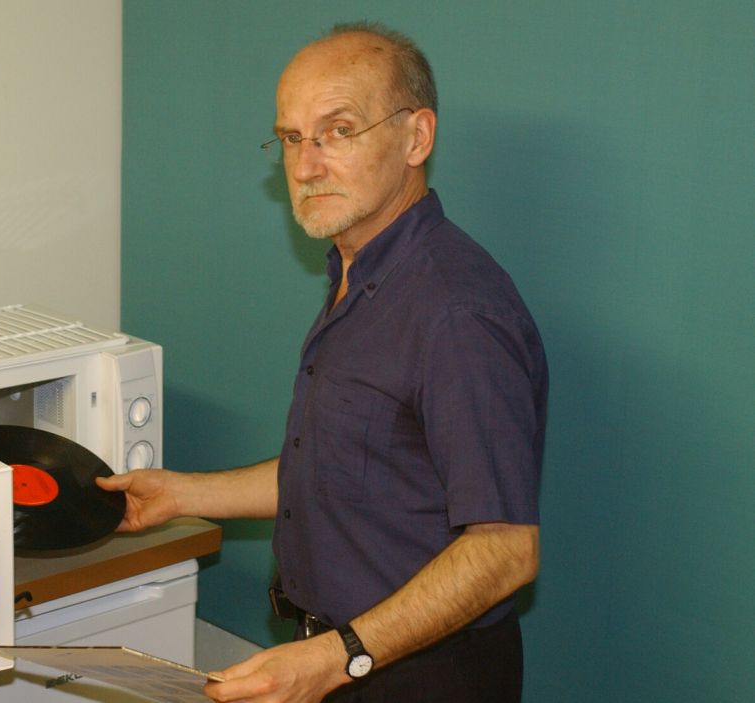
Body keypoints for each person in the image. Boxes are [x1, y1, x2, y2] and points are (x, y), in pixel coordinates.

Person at [98, 21, 548, 703]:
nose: (306, 166)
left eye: (338, 130)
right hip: (343, 660)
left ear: (416, 137)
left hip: (421, 674)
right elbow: (341, 471)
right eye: (291, 137)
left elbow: (506, 550)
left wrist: (338, 659)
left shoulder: (457, 312)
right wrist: (181, 495)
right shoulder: (356, 274)